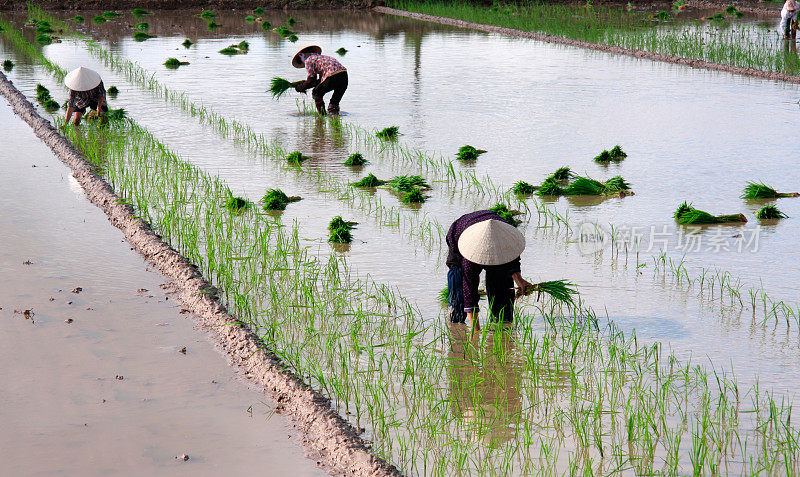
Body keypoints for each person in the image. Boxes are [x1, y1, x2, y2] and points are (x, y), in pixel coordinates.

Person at [445, 210, 532, 331]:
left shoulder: (507, 238)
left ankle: (502, 325)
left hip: (494, 228)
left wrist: (520, 280)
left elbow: (512, 261)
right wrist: (476, 332)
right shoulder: (469, 259)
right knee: (459, 293)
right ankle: (455, 325)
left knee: (502, 289)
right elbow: (469, 293)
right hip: (462, 234)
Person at [292, 45, 348, 115]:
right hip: (344, 76)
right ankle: (334, 118)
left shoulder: (308, 60)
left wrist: (300, 88)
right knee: (334, 103)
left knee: (316, 93)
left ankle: (322, 117)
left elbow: (311, 80)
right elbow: (319, 82)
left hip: (332, 76)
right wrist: (304, 84)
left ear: (301, 55)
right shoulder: (323, 58)